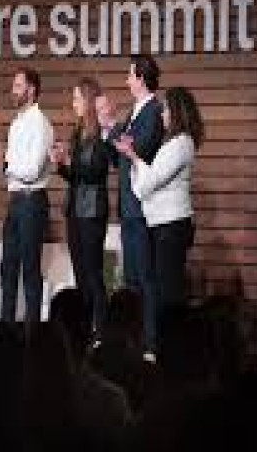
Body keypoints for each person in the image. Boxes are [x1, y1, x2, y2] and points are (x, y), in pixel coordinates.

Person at [114, 86, 204, 322]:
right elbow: (143, 185)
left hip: (171, 226)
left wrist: (133, 156)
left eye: (165, 110)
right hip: (162, 225)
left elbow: (149, 182)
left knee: (168, 293)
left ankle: (173, 340)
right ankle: (166, 338)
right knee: (162, 289)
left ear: (176, 112)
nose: (162, 114)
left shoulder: (181, 143)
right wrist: (135, 159)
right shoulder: (172, 143)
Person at [98, 55, 164, 358]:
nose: (126, 81)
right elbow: (118, 155)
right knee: (132, 278)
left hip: (142, 206)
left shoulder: (153, 110)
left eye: (129, 76)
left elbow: (142, 148)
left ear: (141, 78)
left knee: (146, 277)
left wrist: (115, 131)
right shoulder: (134, 112)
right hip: (128, 206)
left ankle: (150, 343)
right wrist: (108, 132)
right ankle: (134, 342)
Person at [0, 68, 53, 323]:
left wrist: (6, 164)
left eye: (18, 86)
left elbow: (32, 171)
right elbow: (10, 174)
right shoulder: (15, 124)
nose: (13, 91)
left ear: (31, 90)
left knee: (30, 270)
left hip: (32, 201)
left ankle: (33, 333)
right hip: (15, 201)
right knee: (8, 268)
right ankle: (6, 329)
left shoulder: (40, 123)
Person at [51, 77, 110, 336]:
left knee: (93, 273)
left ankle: (102, 330)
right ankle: (84, 329)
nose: (73, 103)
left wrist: (70, 162)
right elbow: (75, 176)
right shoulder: (78, 132)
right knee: (79, 272)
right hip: (75, 209)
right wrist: (60, 164)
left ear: (88, 100)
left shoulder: (100, 134)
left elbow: (96, 171)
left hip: (93, 210)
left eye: (77, 98)